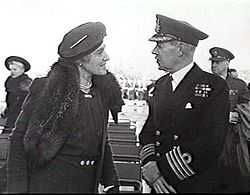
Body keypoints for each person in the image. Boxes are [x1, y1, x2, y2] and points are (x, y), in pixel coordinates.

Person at [7, 22, 119, 193]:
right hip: (48, 185)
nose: (107, 57)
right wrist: (18, 190)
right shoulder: (47, 88)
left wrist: (111, 182)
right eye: (99, 52)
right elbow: (18, 139)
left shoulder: (100, 93)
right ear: (80, 60)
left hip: (86, 186)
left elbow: (102, 142)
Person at [139, 14, 230, 193]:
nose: (154, 51)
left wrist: (160, 172)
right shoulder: (161, 85)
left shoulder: (214, 86)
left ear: (179, 48)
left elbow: (211, 143)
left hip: (193, 184)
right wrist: (149, 165)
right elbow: (149, 131)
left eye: (160, 45)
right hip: (159, 186)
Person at [209, 47, 249, 192]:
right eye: (213, 62)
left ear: (227, 63)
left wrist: (239, 113)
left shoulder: (239, 85)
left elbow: (247, 107)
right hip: (210, 139)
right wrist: (225, 116)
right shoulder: (204, 83)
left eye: (218, 62)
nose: (214, 65)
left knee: (232, 179)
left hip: (232, 141)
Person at [1, 56, 32, 134]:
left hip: (21, 112)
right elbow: (10, 98)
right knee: (7, 130)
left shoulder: (26, 82)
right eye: (11, 69)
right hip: (11, 110)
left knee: (14, 132)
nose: (12, 72)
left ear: (22, 70)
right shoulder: (10, 80)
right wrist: (7, 110)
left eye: (15, 70)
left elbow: (27, 101)